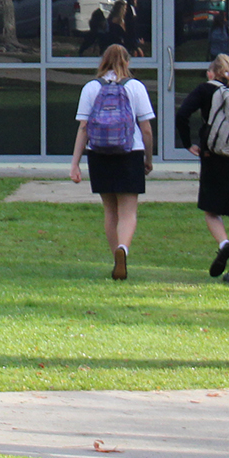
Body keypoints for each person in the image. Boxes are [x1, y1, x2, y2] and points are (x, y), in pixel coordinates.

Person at [69, 44, 155, 281]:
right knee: (128, 211)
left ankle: (114, 255)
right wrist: (148, 158)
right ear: (126, 62)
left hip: (99, 154)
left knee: (110, 209)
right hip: (130, 152)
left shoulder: (91, 88)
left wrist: (75, 163)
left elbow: (83, 127)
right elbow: (146, 129)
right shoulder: (135, 87)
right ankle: (123, 250)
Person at [176, 54, 229, 283]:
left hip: (213, 156)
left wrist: (188, 143)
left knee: (211, 211)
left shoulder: (205, 90)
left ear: (212, 73)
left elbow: (182, 114)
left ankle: (224, 244)